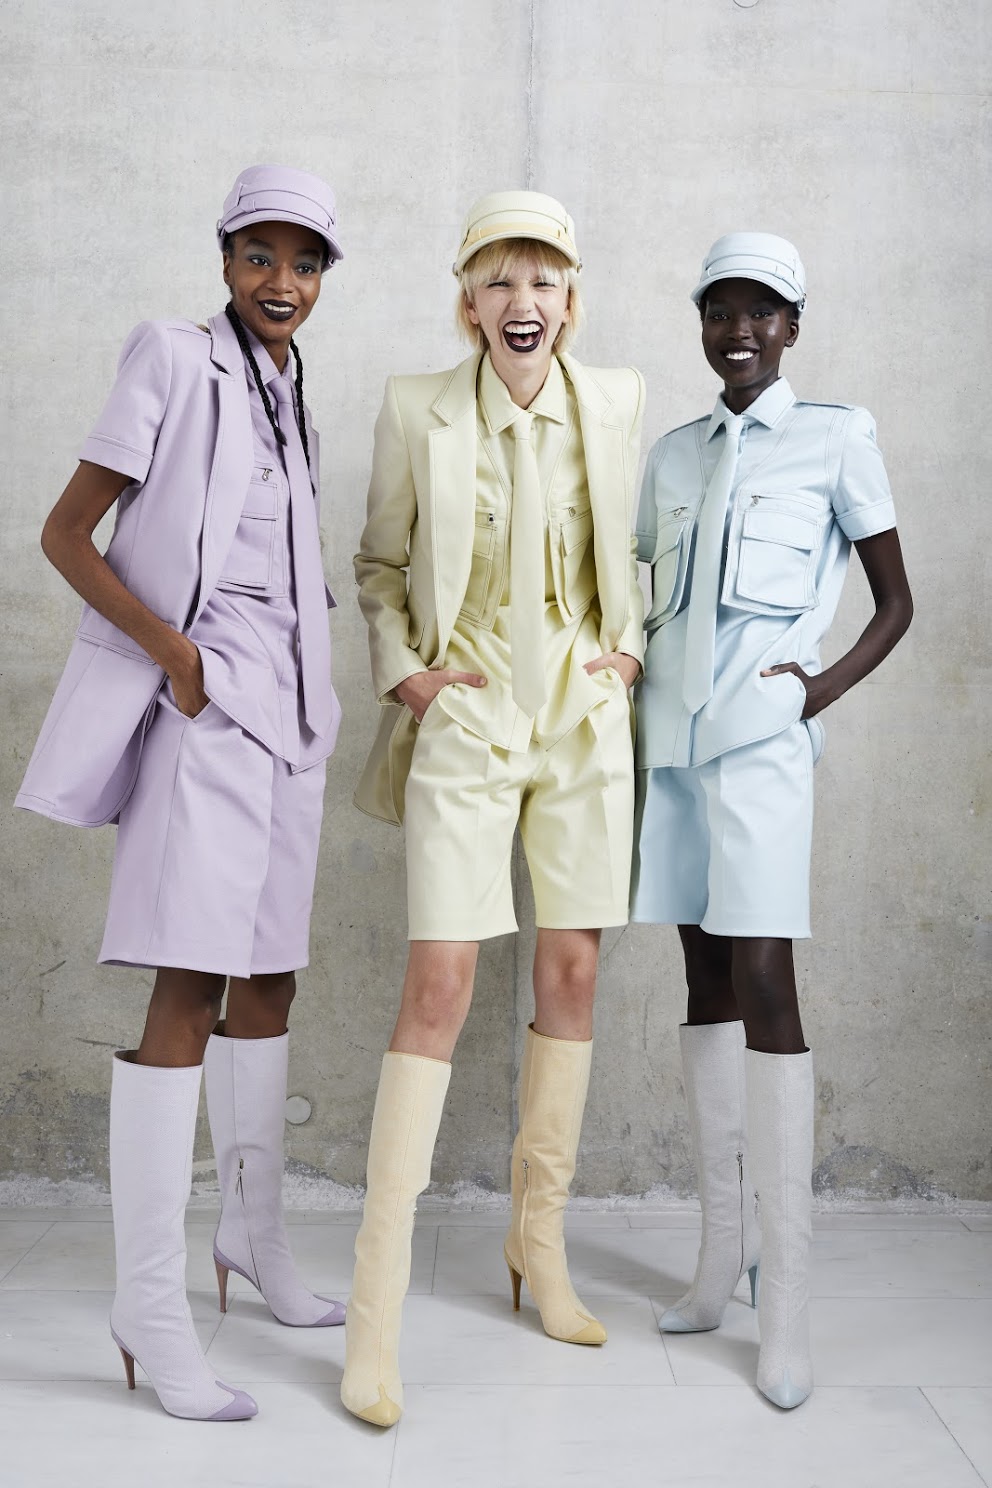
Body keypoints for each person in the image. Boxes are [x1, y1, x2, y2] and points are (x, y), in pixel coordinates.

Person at [15, 165, 347, 1421]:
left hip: (292, 720)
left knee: (269, 982)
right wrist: (176, 658)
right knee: (191, 985)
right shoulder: (170, 354)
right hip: (206, 716)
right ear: (223, 261)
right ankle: (149, 1309)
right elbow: (67, 531)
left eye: (304, 262)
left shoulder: (288, 384)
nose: (281, 282)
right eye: (259, 256)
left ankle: (251, 1242)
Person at [343, 190, 645, 1427]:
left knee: (570, 971)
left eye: (544, 281)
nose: (523, 302)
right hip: (465, 721)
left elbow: (630, 550)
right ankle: (372, 1314)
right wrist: (409, 675)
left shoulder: (616, 402)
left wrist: (625, 651)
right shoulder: (415, 407)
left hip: (578, 722)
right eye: (498, 281)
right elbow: (379, 565)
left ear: (572, 302)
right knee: (441, 984)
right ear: (466, 303)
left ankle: (539, 1247)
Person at [631, 232, 913, 1409]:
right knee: (699, 978)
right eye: (719, 311)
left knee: (763, 980)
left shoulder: (835, 437)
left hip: (759, 748)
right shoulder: (671, 453)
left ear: (792, 325)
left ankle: (784, 1305)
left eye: (760, 312)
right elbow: (639, 597)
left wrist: (812, 693)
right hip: (668, 745)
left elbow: (894, 603)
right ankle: (717, 1262)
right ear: (701, 323)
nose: (736, 330)